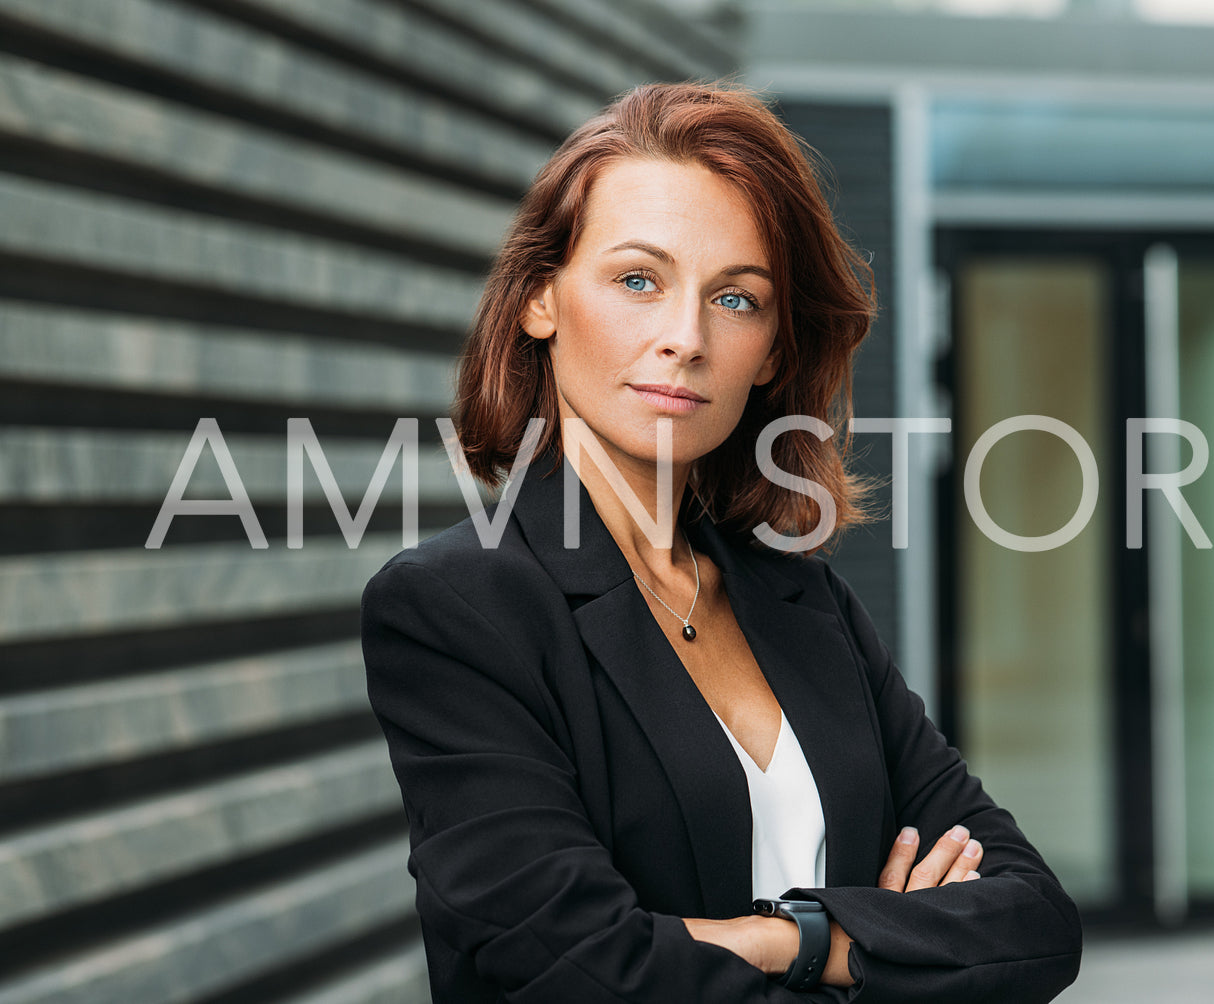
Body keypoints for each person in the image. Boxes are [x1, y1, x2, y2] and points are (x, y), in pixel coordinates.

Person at [360, 78, 1082, 1003]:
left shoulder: (806, 604)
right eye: (636, 281)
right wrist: (884, 946)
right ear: (542, 297)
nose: (684, 338)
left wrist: (784, 937)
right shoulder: (457, 606)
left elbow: (1032, 921)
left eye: (736, 300)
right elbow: (570, 968)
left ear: (775, 348)